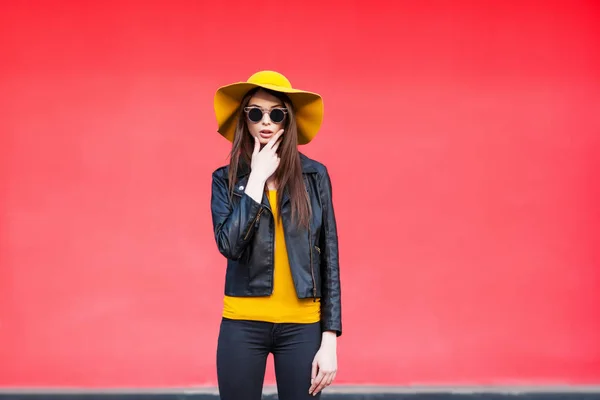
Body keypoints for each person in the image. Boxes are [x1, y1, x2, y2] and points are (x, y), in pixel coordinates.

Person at [210, 70, 342, 400]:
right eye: (255, 113)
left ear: (289, 119)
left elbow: (329, 257)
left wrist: (330, 339)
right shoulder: (225, 180)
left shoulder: (314, 176)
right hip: (243, 323)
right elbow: (229, 245)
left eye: (276, 113)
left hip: (302, 327)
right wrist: (255, 180)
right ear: (244, 120)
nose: (265, 122)